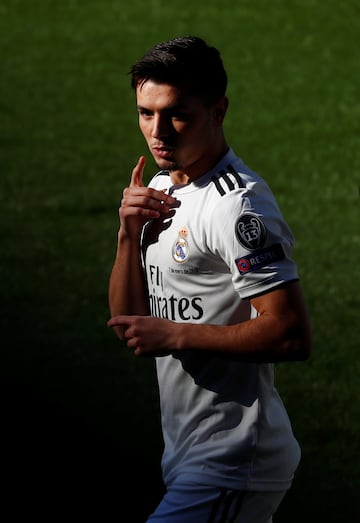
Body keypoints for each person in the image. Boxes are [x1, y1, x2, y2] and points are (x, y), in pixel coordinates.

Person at [107, 35, 312, 523]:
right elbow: (126, 320)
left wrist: (175, 333)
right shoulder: (160, 186)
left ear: (218, 111)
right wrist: (126, 236)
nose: (159, 132)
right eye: (145, 113)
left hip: (235, 456)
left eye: (177, 114)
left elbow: (290, 333)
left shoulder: (238, 206)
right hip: (187, 449)